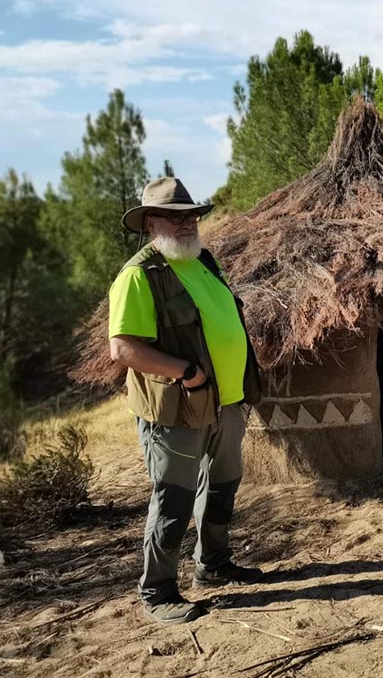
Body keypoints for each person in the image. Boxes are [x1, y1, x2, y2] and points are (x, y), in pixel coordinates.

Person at [109, 177, 264, 624]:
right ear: (150, 222)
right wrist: (188, 373)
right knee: (173, 498)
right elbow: (123, 348)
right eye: (175, 217)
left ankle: (212, 565)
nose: (186, 224)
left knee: (222, 485)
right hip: (178, 407)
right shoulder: (139, 275)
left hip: (226, 403)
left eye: (191, 216)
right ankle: (157, 591)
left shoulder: (203, 261)